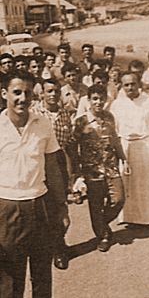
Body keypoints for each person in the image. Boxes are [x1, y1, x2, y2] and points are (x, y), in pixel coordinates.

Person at [0, 70, 69, 297]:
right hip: (7, 209)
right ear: (4, 94)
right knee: (10, 278)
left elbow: (52, 168)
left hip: (40, 206)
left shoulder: (43, 124)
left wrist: (61, 207)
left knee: (41, 273)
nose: (22, 98)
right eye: (16, 92)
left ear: (34, 96)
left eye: (27, 93)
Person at [73, 84, 126, 252]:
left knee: (119, 199)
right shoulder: (81, 121)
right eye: (95, 98)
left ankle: (101, 222)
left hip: (111, 167)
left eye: (102, 98)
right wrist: (77, 173)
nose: (98, 102)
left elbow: (115, 139)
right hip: (92, 170)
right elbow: (73, 147)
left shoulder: (110, 117)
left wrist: (124, 159)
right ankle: (102, 236)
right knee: (95, 204)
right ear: (88, 100)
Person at [111, 72, 149, 225]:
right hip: (125, 147)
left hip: (145, 147)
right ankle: (128, 217)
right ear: (122, 86)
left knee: (146, 183)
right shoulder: (117, 104)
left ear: (139, 84)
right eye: (126, 85)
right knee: (127, 181)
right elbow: (113, 129)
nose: (130, 87)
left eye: (133, 84)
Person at [31, 78, 72, 269]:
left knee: (61, 209)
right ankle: (50, 248)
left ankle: (59, 245)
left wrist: (73, 173)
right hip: (42, 163)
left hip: (60, 163)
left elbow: (69, 146)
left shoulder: (64, 114)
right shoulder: (35, 113)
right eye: (49, 91)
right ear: (42, 94)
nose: (53, 94)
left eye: (56, 91)